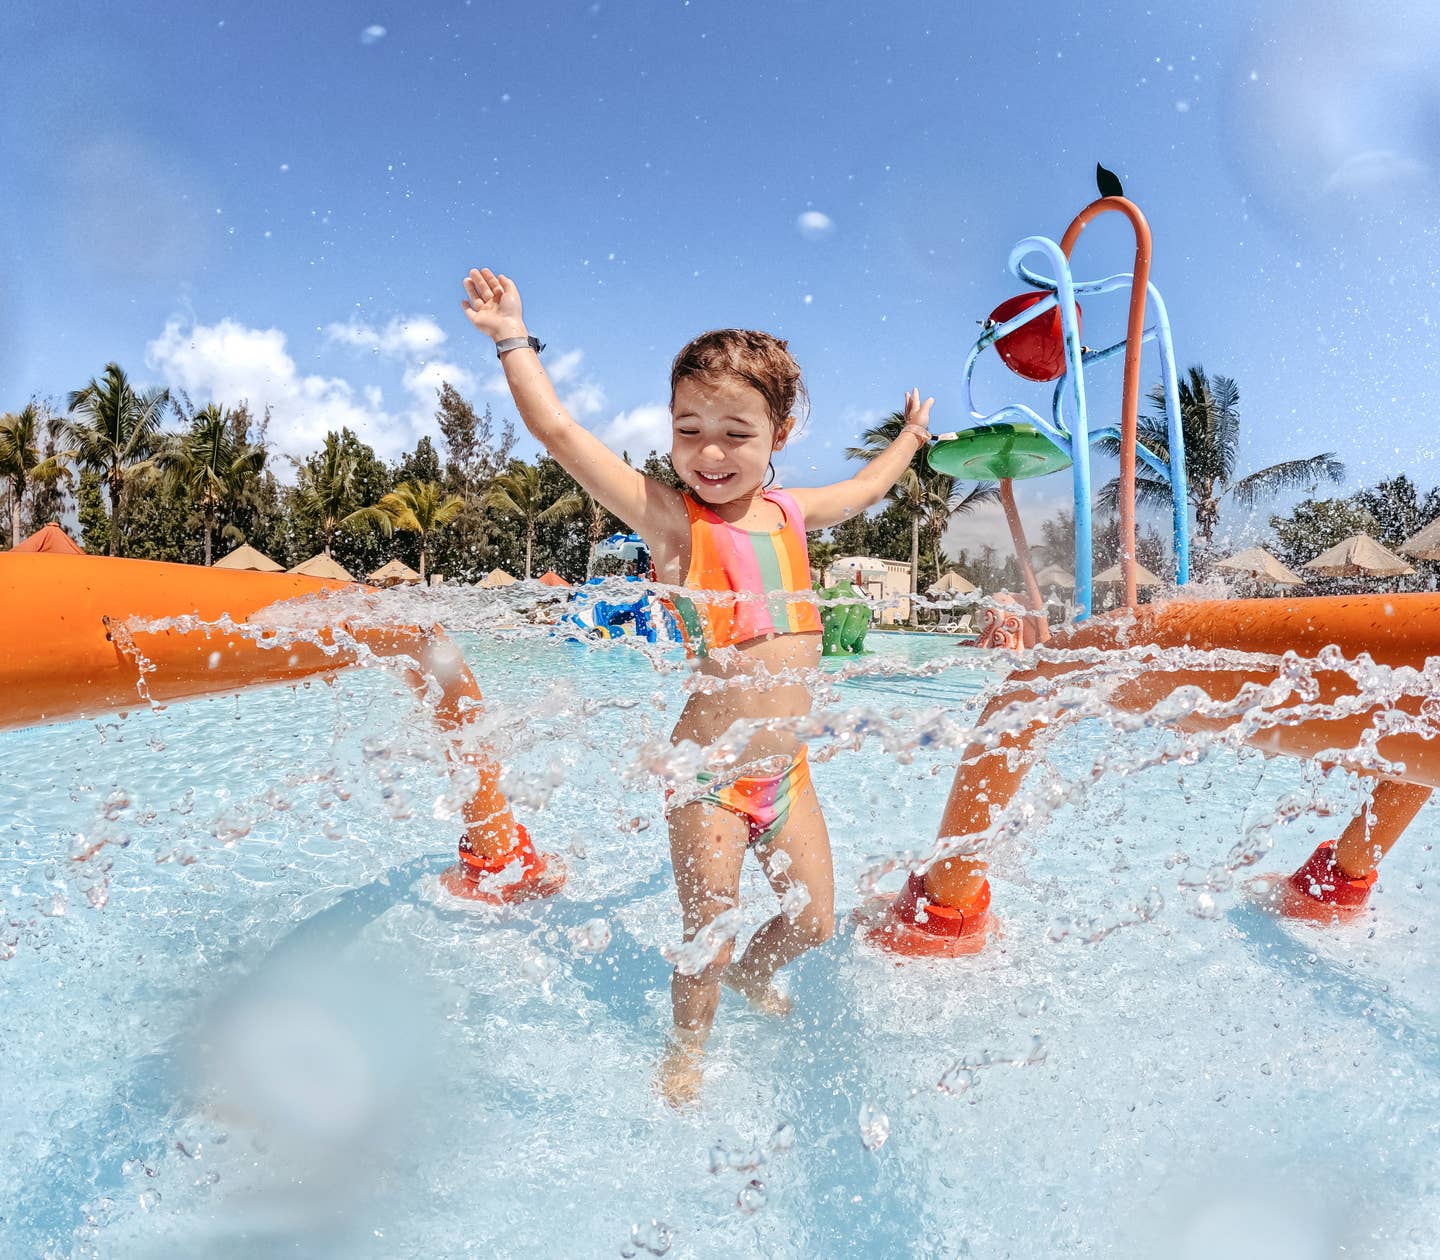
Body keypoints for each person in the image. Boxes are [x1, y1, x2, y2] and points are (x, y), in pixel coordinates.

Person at [461, 267, 934, 1104]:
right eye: (689, 430)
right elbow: (564, 435)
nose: (709, 453)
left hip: (785, 771)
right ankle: (686, 1050)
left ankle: (755, 975)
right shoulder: (675, 520)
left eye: (735, 433)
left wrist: (910, 439)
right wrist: (511, 337)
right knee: (706, 936)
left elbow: (866, 490)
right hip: (710, 778)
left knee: (814, 923)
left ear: (779, 433)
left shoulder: (791, 514)